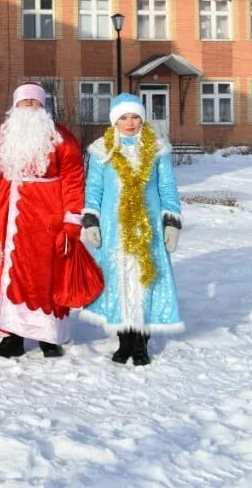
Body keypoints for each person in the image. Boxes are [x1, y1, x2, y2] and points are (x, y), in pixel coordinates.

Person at [79, 93, 184, 366]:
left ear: (142, 119)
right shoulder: (103, 150)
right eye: (124, 117)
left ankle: (141, 342)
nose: (130, 123)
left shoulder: (157, 149)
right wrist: (91, 219)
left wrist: (171, 221)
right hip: (114, 228)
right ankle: (124, 339)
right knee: (117, 279)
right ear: (115, 120)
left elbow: (167, 188)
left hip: (147, 227)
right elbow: (94, 189)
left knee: (145, 278)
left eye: (135, 116)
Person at [0, 82, 85, 359]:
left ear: (43, 106)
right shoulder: (0, 137)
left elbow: (73, 179)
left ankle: (48, 336)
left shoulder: (61, 138)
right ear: (15, 106)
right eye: (24, 102)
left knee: (45, 272)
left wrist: (72, 220)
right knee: (8, 271)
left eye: (34, 102)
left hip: (46, 212)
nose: (29, 106)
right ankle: (11, 337)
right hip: (9, 212)